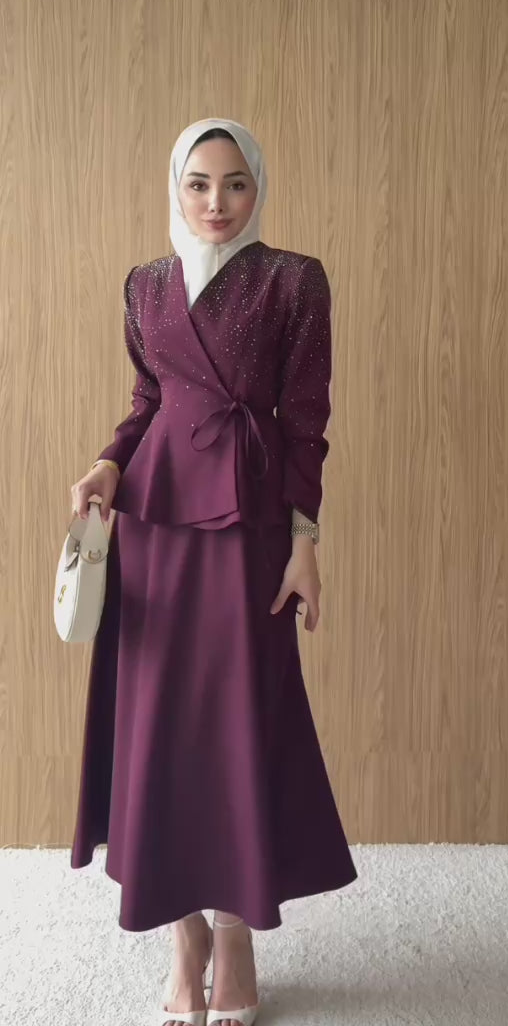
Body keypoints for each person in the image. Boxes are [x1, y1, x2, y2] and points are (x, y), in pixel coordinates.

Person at [68, 118, 358, 1026]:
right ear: (176, 188)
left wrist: (305, 541)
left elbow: (305, 420)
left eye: (235, 183)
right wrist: (108, 465)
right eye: (198, 184)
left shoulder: (294, 280)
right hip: (155, 524)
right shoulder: (144, 284)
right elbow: (149, 399)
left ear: (257, 187)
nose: (216, 202)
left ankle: (235, 934)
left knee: (237, 720)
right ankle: (182, 933)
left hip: (248, 522)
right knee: (158, 723)